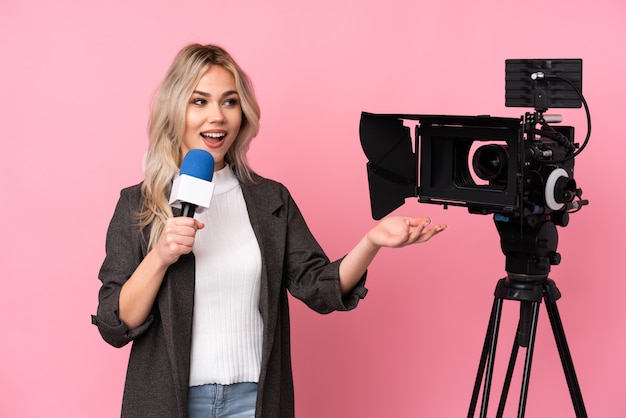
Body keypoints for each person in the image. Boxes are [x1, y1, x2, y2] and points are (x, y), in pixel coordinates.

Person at [92, 43, 447, 418]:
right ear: (175, 110)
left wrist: (371, 241)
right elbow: (115, 325)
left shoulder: (270, 199)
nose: (217, 117)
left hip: (254, 402)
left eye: (229, 102)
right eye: (199, 102)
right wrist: (161, 256)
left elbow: (317, 286)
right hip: (169, 403)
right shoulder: (138, 204)